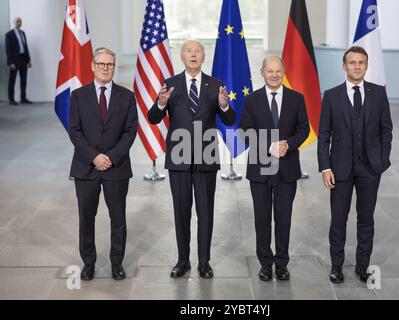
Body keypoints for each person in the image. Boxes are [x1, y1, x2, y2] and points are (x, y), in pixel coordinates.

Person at [148, 39, 235, 279]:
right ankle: (182, 260)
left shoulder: (216, 85)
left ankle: (204, 262)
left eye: (197, 51)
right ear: (182, 57)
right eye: (189, 51)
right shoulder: (170, 85)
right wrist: (161, 102)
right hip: (179, 159)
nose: (193, 55)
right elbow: (153, 118)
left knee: (205, 213)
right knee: (181, 212)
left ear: (203, 57)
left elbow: (229, 121)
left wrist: (225, 106)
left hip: (206, 159)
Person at [317, 46, 393, 283]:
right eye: (352, 63)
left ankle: (362, 266)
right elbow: (324, 135)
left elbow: (386, 130)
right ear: (344, 66)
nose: (357, 66)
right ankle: (336, 266)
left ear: (367, 65)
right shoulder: (331, 95)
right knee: (338, 219)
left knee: (366, 219)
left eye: (361, 62)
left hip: (370, 169)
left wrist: (381, 160)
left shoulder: (379, 93)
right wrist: (325, 167)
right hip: (339, 169)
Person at [69, 47, 138, 281]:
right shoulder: (78, 96)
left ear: (114, 66)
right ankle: (88, 263)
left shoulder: (126, 96)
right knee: (86, 218)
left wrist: (110, 158)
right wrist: (94, 157)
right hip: (85, 168)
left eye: (109, 64)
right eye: (101, 64)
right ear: (92, 66)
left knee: (118, 218)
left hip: (116, 168)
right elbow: (75, 131)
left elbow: (130, 132)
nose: (105, 68)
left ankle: (117, 263)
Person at [239, 56, 310, 281]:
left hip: (287, 168)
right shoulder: (252, 100)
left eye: (278, 71)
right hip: (260, 169)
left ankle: (281, 263)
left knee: (284, 217)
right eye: (269, 71)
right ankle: (265, 263)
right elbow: (245, 130)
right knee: (261, 218)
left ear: (283, 71)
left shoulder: (297, 99)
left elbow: (303, 129)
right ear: (262, 72)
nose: (274, 75)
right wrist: (269, 146)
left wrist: (289, 144)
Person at [5, 17, 32, 105]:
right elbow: (8, 50)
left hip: (23, 59)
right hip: (14, 61)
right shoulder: (9, 34)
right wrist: (10, 62)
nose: (19, 23)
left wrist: (28, 60)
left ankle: (23, 98)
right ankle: (11, 99)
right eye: (17, 21)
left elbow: (25, 47)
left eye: (20, 21)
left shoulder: (22, 33)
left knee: (24, 80)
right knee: (12, 80)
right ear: (14, 22)